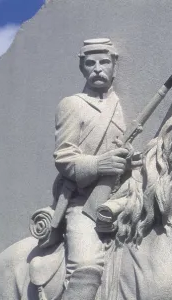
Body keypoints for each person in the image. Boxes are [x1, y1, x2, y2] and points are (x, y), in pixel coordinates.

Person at [52, 38, 133, 300]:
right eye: (90, 63)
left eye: (104, 62)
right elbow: (64, 158)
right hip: (83, 204)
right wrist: (99, 163)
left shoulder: (119, 106)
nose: (98, 68)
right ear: (82, 68)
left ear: (114, 66)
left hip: (123, 199)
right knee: (85, 268)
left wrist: (129, 160)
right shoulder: (72, 104)